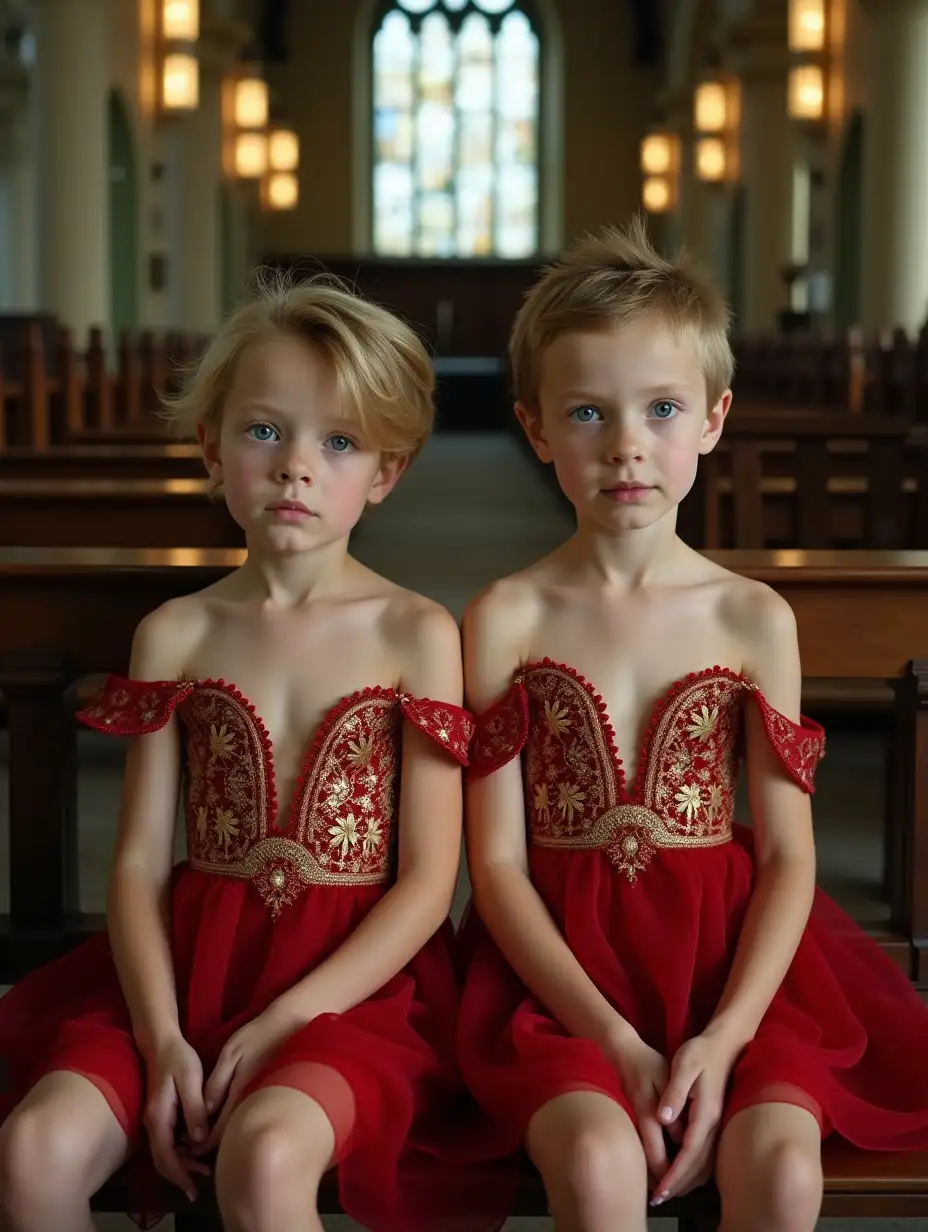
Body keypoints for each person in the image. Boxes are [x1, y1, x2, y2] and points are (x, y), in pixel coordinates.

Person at [456, 220, 928, 1232]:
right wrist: (616, 1038)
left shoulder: (754, 617)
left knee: (781, 1171)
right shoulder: (503, 616)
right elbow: (493, 864)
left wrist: (722, 1037)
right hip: (560, 970)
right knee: (592, 1162)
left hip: (734, 961)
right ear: (536, 428)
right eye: (587, 411)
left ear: (711, 419)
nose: (625, 443)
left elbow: (792, 856)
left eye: (659, 409)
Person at [0, 274, 480, 1232]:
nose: (296, 466)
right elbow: (136, 864)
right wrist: (161, 1034)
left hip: (356, 989)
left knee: (263, 1159)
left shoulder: (417, 632)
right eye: (265, 431)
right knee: (33, 1148)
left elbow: (431, 883)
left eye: (338, 442)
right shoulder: (174, 633)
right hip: (183, 967)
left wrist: (286, 1021)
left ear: (385, 473)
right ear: (209, 449)